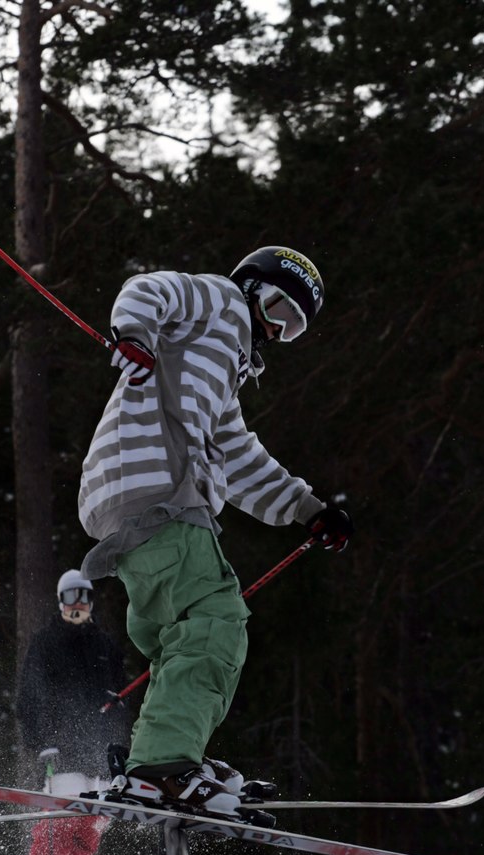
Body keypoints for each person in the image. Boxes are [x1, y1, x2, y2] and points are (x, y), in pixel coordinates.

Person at [77, 245, 354, 818]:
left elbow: (241, 459)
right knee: (216, 621)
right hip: (159, 493)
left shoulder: (222, 378)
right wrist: (135, 335)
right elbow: (152, 288)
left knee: (180, 640)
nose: (276, 330)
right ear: (250, 286)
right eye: (277, 308)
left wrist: (306, 509)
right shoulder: (220, 301)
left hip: (130, 500)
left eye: (293, 327)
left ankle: (163, 761)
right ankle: (164, 765)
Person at [17, 568, 131, 855]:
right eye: (70, 597)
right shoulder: (46, 642)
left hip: (100, 755)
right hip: (63, 750)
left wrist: (117, 710)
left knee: (88, 831)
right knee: (60, 827)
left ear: (92, 602)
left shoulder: (105, 645)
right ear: (60, 602)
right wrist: (41, 741)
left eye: (83, 596)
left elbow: (122, 696)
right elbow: (27, 699)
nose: (76, 604)